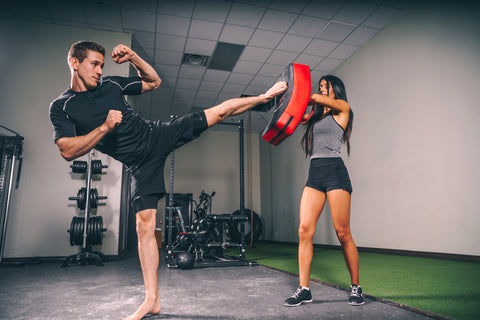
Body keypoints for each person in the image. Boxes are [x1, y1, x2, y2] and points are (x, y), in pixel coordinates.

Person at [49, 41, 287, 320]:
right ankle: (152, 300)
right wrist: (104, 127)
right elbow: (66, 150)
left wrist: (135, 57)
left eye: (102, 64)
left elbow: (153, 81)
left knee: (218, 112)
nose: (100, 70)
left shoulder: (111, 84)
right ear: (75, 63)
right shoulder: (62, 107)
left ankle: (263, 97)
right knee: (144, 225)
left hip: (156, 134)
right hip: (139, 165)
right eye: (94, 64)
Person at [283, 75, 364, 307]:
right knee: (304, 230)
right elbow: (296, 117)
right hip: (315, 173)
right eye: (320, 87)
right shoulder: (317, 115)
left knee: (342, 233)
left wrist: (301, 94)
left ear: (335, 88)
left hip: (335, 172)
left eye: (325, 86)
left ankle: (356, 287)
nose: (321, 90)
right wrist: (285, 100)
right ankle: (304, 289)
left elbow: (313, 98)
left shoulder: (343, 109)